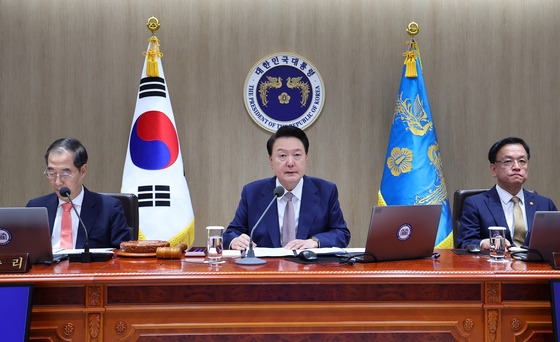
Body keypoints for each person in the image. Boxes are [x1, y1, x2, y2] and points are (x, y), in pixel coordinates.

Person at [224, 126, 350, 251]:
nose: (290, 162)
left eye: (297, 155)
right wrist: (235, 241)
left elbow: (341, 233)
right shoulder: (252, 193)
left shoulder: (326, 191)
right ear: (271, 161)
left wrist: (314, 242)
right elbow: (231, 234)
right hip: (266, 268)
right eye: (283, 155)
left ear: (306, 158)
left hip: (311, 269)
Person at [26, 138, 132, 249]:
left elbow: (123, 255)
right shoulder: (35, 207)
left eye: (65, 174)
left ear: (83, 171)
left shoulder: (109, 208)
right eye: (52, 173)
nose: (57, 182)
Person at [458, 137, 557, 249]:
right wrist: (483, 243)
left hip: (536, 266)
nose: (517, 167)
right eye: (508, 162)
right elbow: (464, 243)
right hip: (495, 265)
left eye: (522, 161)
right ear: (493, 169)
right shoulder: (476, 204)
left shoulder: (545, 204)